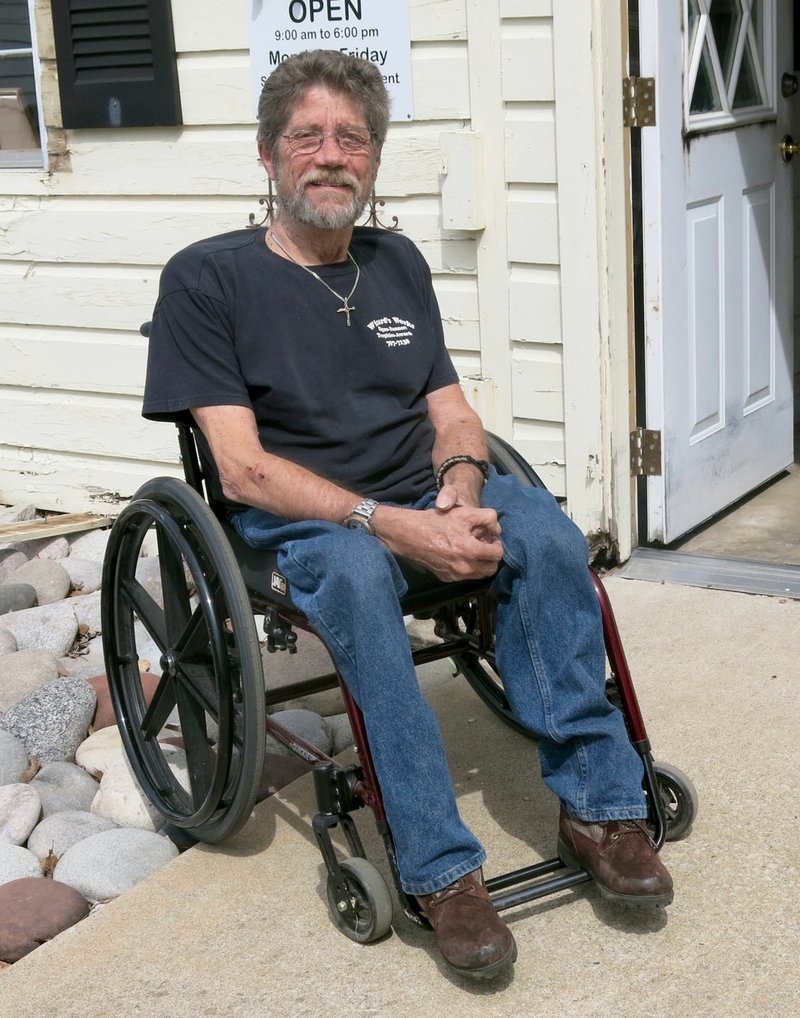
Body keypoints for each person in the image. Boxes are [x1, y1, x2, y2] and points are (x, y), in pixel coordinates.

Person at [143, 48, 673, 980]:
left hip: (423, 492)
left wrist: (461, 495)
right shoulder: (206, 280)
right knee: (351, 574)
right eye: (306, 136)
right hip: (308, 522)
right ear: (267, 156)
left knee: (545, 529)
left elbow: (453, 413)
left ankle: (600, 803)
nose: (330, 154)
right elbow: (242, 469)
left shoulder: (395, 263)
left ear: (374, 162)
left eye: (352, 137)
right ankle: (440, 869)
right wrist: (394, 525)